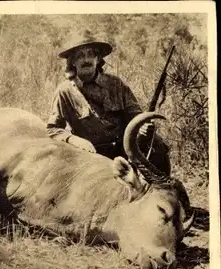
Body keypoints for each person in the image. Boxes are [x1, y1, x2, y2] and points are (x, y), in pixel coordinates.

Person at [46, 33, 171, 175]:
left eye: (90, 54)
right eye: (80, 55)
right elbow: (53, 129)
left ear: (98, 59)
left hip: (124, 149)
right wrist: (75, 140)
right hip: (92, 155)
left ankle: (164, 191)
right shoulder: (65, 91)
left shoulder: (116, 84)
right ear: (73, 61)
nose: (86, 60)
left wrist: (141, 126)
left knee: (157, 147)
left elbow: (135, 115)